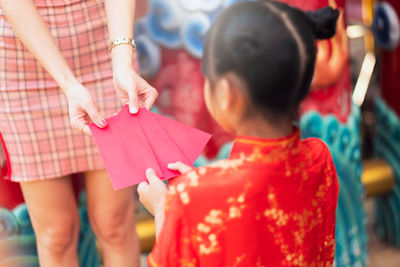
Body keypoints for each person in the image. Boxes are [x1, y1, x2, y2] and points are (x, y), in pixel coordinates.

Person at [138, 1, 340, 266]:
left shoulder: (190, 197)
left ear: (225, 93)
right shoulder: (319, 158)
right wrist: (200, 189)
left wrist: (165, 208)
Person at [0, 0, 158, 266]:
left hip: (103, 46)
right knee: (55, 235)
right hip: (21, 60)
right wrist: (68, 84)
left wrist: (122, 61)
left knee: (115, 223)